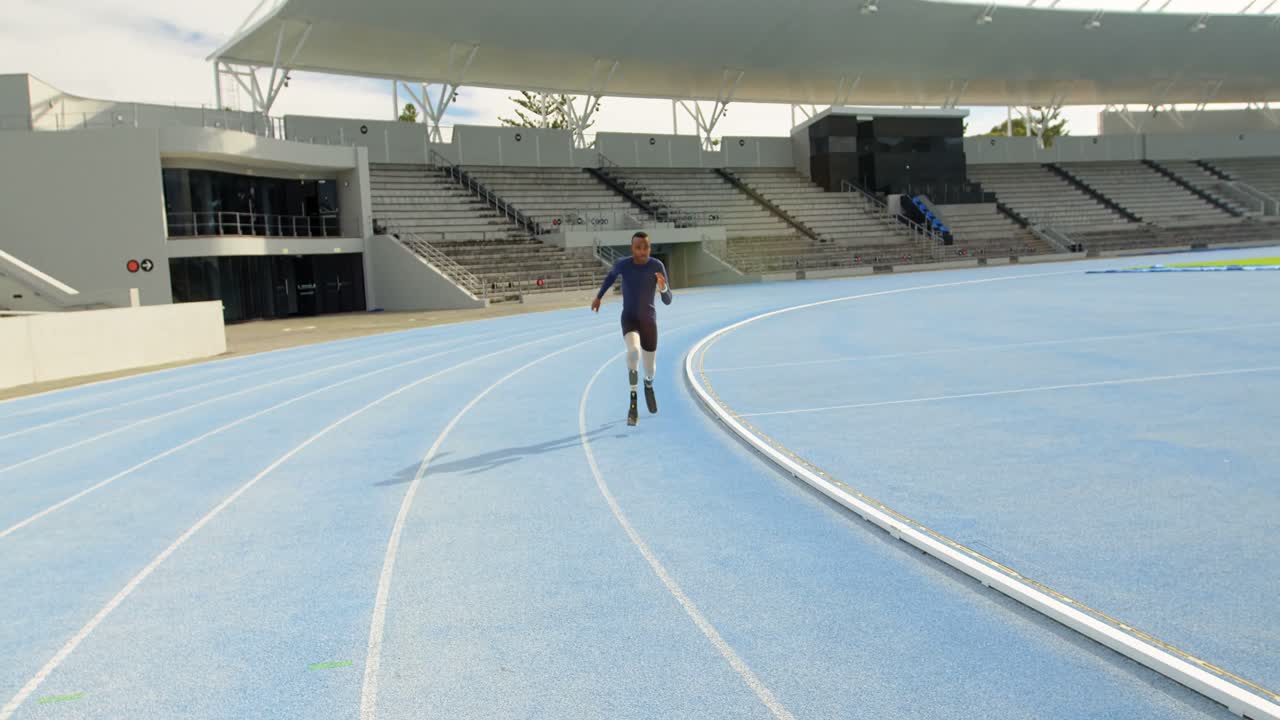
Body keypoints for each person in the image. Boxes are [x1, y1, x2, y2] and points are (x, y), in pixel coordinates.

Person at [591, 231, 673, 426]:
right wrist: (599, 297)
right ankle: (633, 402)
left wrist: (662, 288)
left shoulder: (657, 266)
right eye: (638, 247)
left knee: (650, 368)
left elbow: (668, 300)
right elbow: (610, 278)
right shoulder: (623, 264)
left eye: (646, 247)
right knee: (634, 351)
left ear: (649, 248)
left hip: (649, 322)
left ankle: (648, 384)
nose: (642, 251)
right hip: (629, 319)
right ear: (632, 248)